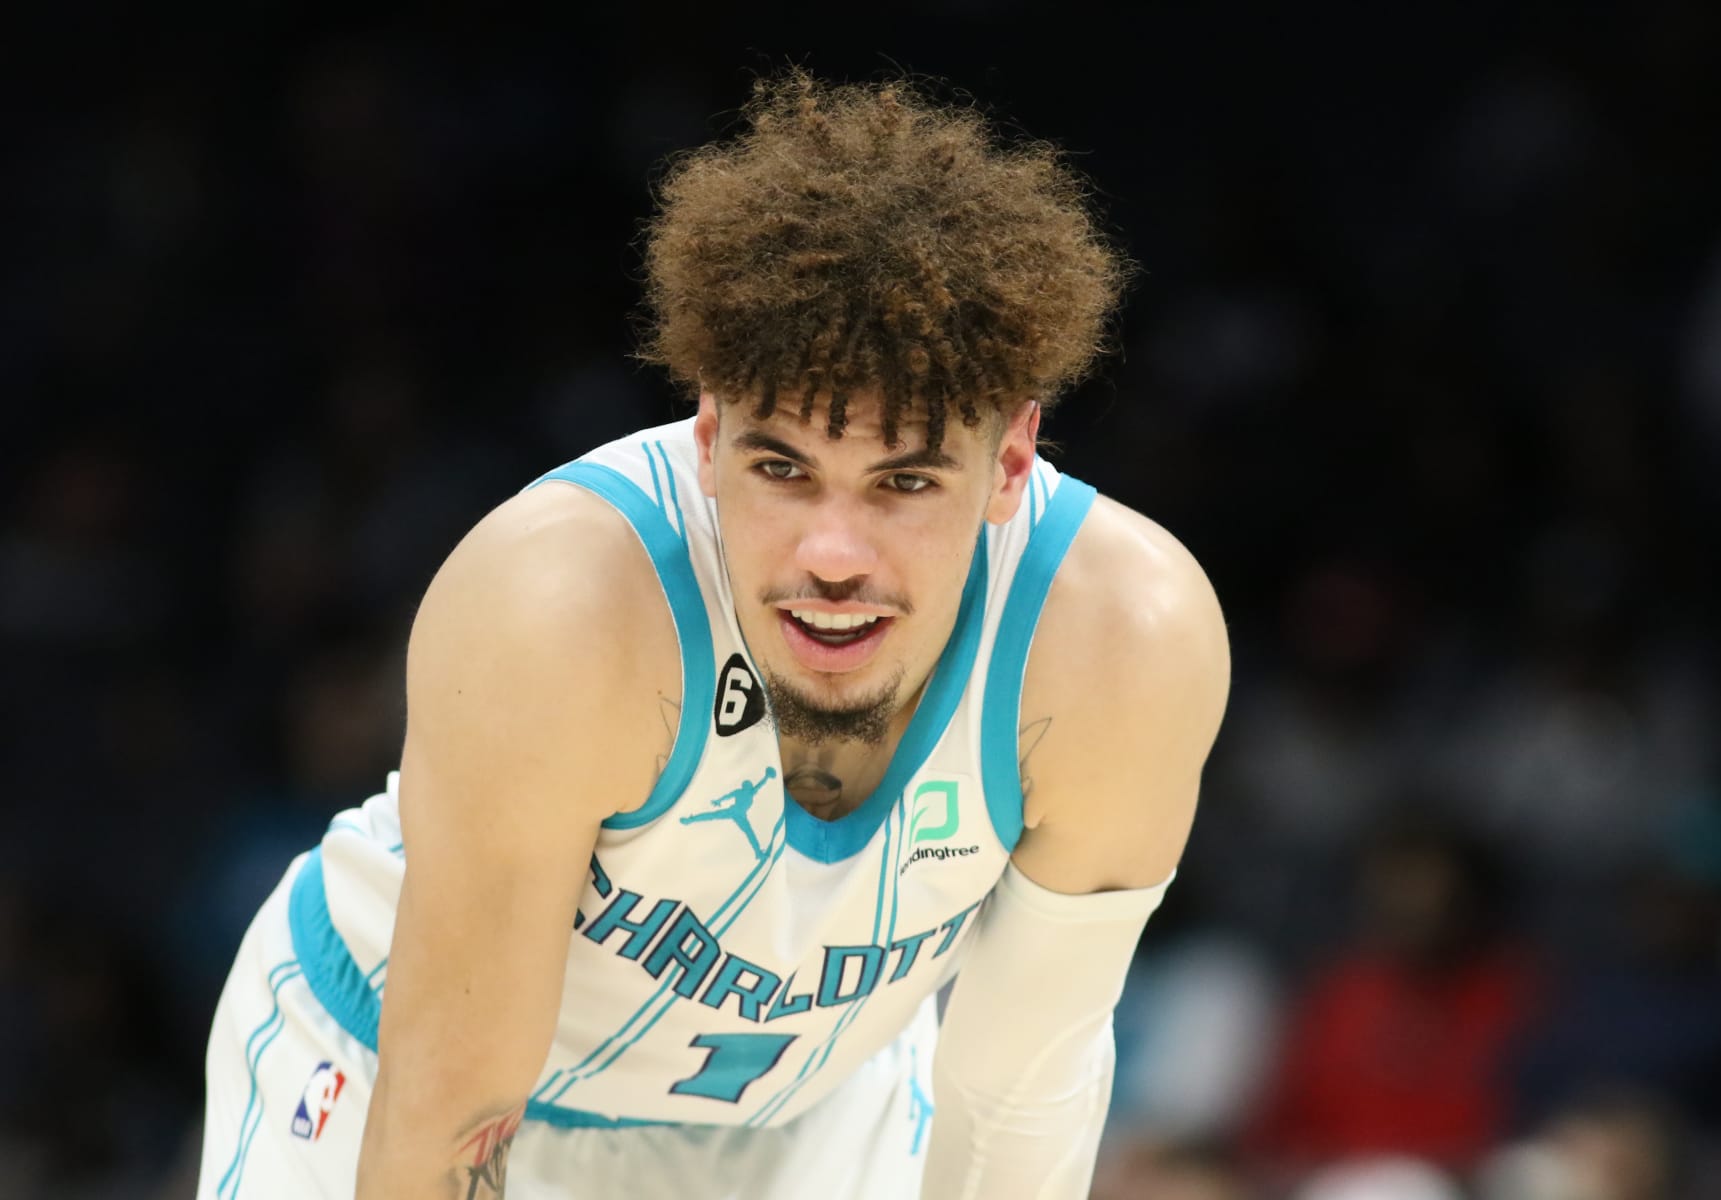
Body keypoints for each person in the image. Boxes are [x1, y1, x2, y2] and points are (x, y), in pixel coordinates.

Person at [196, 70, 1230, 1200]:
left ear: (1012, 462)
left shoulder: (1121, 645)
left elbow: (1016, 1098)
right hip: (403, 1073)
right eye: (783, 469)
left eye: (903, 482)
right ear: (707, 432)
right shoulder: (562, 609)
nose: (833, 555)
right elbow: (456, 1105)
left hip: (807, 1119)